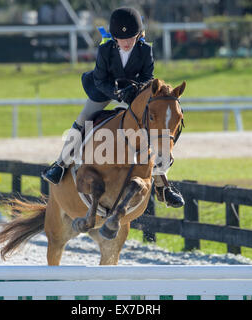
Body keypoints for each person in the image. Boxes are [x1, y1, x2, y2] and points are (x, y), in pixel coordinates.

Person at [41, 7, 184, 208]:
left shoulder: (145, 51)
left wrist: (133, 93)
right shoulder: (105, 50)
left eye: (131, 38)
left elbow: (147, 78)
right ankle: (60, 164)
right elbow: (100, 80)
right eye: (121, 39)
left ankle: (163, 185)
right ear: (114, 37)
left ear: (138, 35)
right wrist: (117, 94)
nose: (126, 43)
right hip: (103, 92)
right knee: (82, 121)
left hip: (133, 95)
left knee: (151, 128)